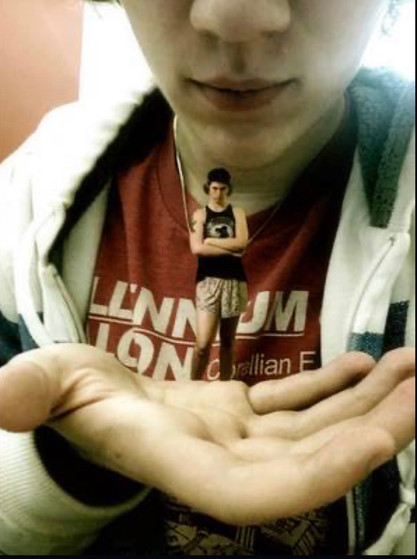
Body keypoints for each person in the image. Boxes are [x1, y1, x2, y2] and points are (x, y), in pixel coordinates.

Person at [0, 0, 414, 555]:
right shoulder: (31, 190)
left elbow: (224, 241)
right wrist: (71, 461)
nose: (232, 18)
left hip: (226, 280)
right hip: (214, 281)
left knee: (222, 329)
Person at [189, 167, 248, 381]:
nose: (218, 193)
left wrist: (211, 241)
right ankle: (192, 386)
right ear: (208, 188)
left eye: (223, 189)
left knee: (227, 342)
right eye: (214, 188)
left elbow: (242, 243)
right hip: (208, 281)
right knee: (203, 344)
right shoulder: (200, 215)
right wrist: (230, 250)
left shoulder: (237, 213)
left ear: (228, 189)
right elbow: (197, 248)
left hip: (234, 280)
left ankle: (224, 387)